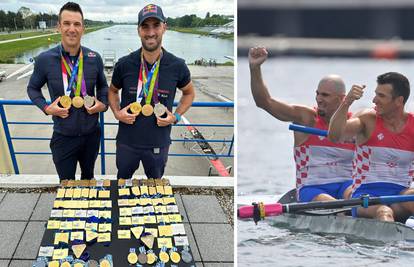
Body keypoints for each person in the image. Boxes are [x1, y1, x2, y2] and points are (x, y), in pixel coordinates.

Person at [249, 46, 354, 202]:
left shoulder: (354, 124)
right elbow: (264, 102)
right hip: (312, 188)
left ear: (341, 99)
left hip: (347, 185)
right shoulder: (306, 118)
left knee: (355, 197)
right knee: (335, 205)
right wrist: (255, 68)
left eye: (325, 95)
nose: (319, 99)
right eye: (317, 93)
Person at [108, 4, 195, 179]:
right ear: (138, 30)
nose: (150, 32)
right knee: (123, 185)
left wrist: (176, 116)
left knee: (155, 190)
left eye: (156, 25)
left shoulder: (177, 66)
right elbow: (112, 91)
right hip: (127, 142)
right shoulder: (124, 64)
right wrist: (117, 113)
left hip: (158, 143)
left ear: (165, 27)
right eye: (145, 26)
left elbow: (189, 93)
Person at [27, 2, 108, 180]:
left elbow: (103, 86)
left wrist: (103, 104)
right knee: (66, 183)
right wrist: (46, 108)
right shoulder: (44, 59)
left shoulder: (94, 58)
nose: (72, 29)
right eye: (67, 23)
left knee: (88, 179)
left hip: (91, 135)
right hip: (63, 137)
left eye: (77, 24)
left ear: (83, 29)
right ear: (59, 27)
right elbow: (32, 88)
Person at [328, 72, 414, 222]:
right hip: (366, 197)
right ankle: (390, 244)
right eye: (376, 94)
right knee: (384, 211)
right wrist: (347, 102)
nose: (374, 100)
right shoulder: (367, 119)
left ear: (399, 101)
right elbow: (334, 136)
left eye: (381, 96)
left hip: (400, 195)